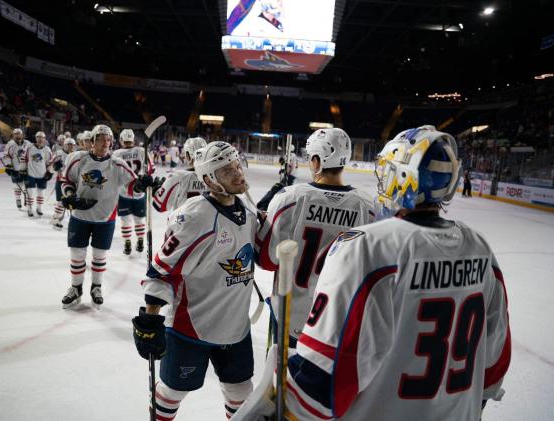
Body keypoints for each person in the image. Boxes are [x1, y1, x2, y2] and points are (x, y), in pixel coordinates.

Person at [285, 126, 511, 421]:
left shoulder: (367, 246)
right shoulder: (481, 249)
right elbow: (492, 368)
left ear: (403, 177)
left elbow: (322, 382)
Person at [133, 141, 259, 420]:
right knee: (172, 391)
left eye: (238, 166)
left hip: (236, 329)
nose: (238, 174)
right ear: (209, 180)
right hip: (191, 329)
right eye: (228, 171)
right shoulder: (194, 217)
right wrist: (150, 317)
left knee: (241, 390)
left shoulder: (248, 213)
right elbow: (162, 271)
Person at [256, 128, 375, 346]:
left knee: (283, 379)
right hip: (338, 323)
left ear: (317, 160)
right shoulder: (367, 207)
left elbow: (266, 260)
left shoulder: (290, 198)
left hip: (291, 317)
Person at [59, 124, 150, 309]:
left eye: (108, 140)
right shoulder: (78, 159)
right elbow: (66, 180)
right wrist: (69, 195)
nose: (105, 143)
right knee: (77, 254)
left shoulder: (117, 163)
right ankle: (76, 288)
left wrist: (141, 185)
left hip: (105, 217)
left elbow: (132, 185)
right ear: (92, 142)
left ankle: (96, 287)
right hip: (80, 216)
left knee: (99, 256)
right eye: (100, 139)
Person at [112, 129, 157, 255]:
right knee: (139, 220)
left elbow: (112, 173)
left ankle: (127, 243)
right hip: (140, 192)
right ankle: (141, 240)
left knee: (125, 220)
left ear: (121, 140)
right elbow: (151, 168)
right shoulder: (142, 151)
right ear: (133, 140)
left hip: (123, 192)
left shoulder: (116, 153)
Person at [152, 136, 207, 213]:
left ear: (188, 156)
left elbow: (160, 206)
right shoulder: (217, 178)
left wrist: (156, 189)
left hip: (183, 223)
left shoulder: (179, 177)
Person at [24, 131, 53, 217]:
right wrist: (22, 171)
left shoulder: (47, 150)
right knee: (30, 192)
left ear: (44, 139)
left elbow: (49, 163)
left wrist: (50, 172)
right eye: (38, 137)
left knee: (41, 193)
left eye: (42, 137)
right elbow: (24, 159)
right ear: (36, 138)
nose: (40, 139)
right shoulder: (29, 147)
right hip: (31, 174)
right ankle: (29, 208)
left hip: (42, 175)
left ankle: (39, 208)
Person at [50, 137, 76, 229]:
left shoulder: (75, 155)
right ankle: (55, 218)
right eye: (68, 144)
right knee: (61, 202)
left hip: (72, 182)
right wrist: (55, 168)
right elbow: (50, 167)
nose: (70, 146)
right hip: (61, 181)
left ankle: (70, 220)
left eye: (72, 145)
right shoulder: (59, 153)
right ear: (65, 145)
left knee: (71, 203)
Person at [3, 128, 32, 210]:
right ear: (13, 135)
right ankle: (18, 199)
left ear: (22, 135)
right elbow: (6, 155)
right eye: (16, 134)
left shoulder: (28, 143)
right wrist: (8, 166)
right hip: (15, 169)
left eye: (19, 134)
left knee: (27, 186)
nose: (17, 135)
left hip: (26, 169)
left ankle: (27, 199)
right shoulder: (10, 144)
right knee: (18, 186)